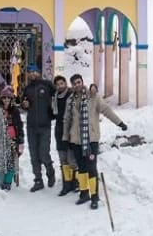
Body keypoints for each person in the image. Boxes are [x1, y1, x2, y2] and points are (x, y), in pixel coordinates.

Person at [63, 74, 128, 210]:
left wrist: (120, 123)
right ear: (72, 86)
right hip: (75, 140)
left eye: (79, 82)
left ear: (82, 82)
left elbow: (107, 111)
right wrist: (66, 138)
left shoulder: (93, 97)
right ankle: (84, 193)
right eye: (74, 83)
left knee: (91, 167)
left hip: (91, 139)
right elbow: (67, 120)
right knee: (81, 168)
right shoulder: (70, 100)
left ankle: (94, 196)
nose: (77, 85)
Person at [20, 63, 56, 192]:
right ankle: (38, 180)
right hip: (31, 126)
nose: (32, 73)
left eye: (34, 71)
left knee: (43, 153)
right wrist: (24, 105)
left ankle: (50, 173)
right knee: (34, 155)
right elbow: (22, 104)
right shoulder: (27, 88)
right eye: (30, 71)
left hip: (45, 125)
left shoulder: (47, 85)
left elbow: (59, 95)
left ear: (39, 72)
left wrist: (54, 111)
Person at [0, 87, 24, 191]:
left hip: (12, 140)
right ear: (1, 99)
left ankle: (7, 182)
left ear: (11, 99)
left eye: (8, 98)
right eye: (4, 98)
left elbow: (19, 126)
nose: (6, 100)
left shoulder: (15, 111)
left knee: (11, 161)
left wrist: (20, 139)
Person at [52, 75, 77, 196]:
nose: (60, 86)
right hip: (59, 130)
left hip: (70, 130)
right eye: (57, 84)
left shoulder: (72, 95)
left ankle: (75, 183)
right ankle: (66, 184)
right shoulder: (55, 97)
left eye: (62, 83)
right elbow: (52, 114)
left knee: (71, 158)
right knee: (62, 159)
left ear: (65, 83)